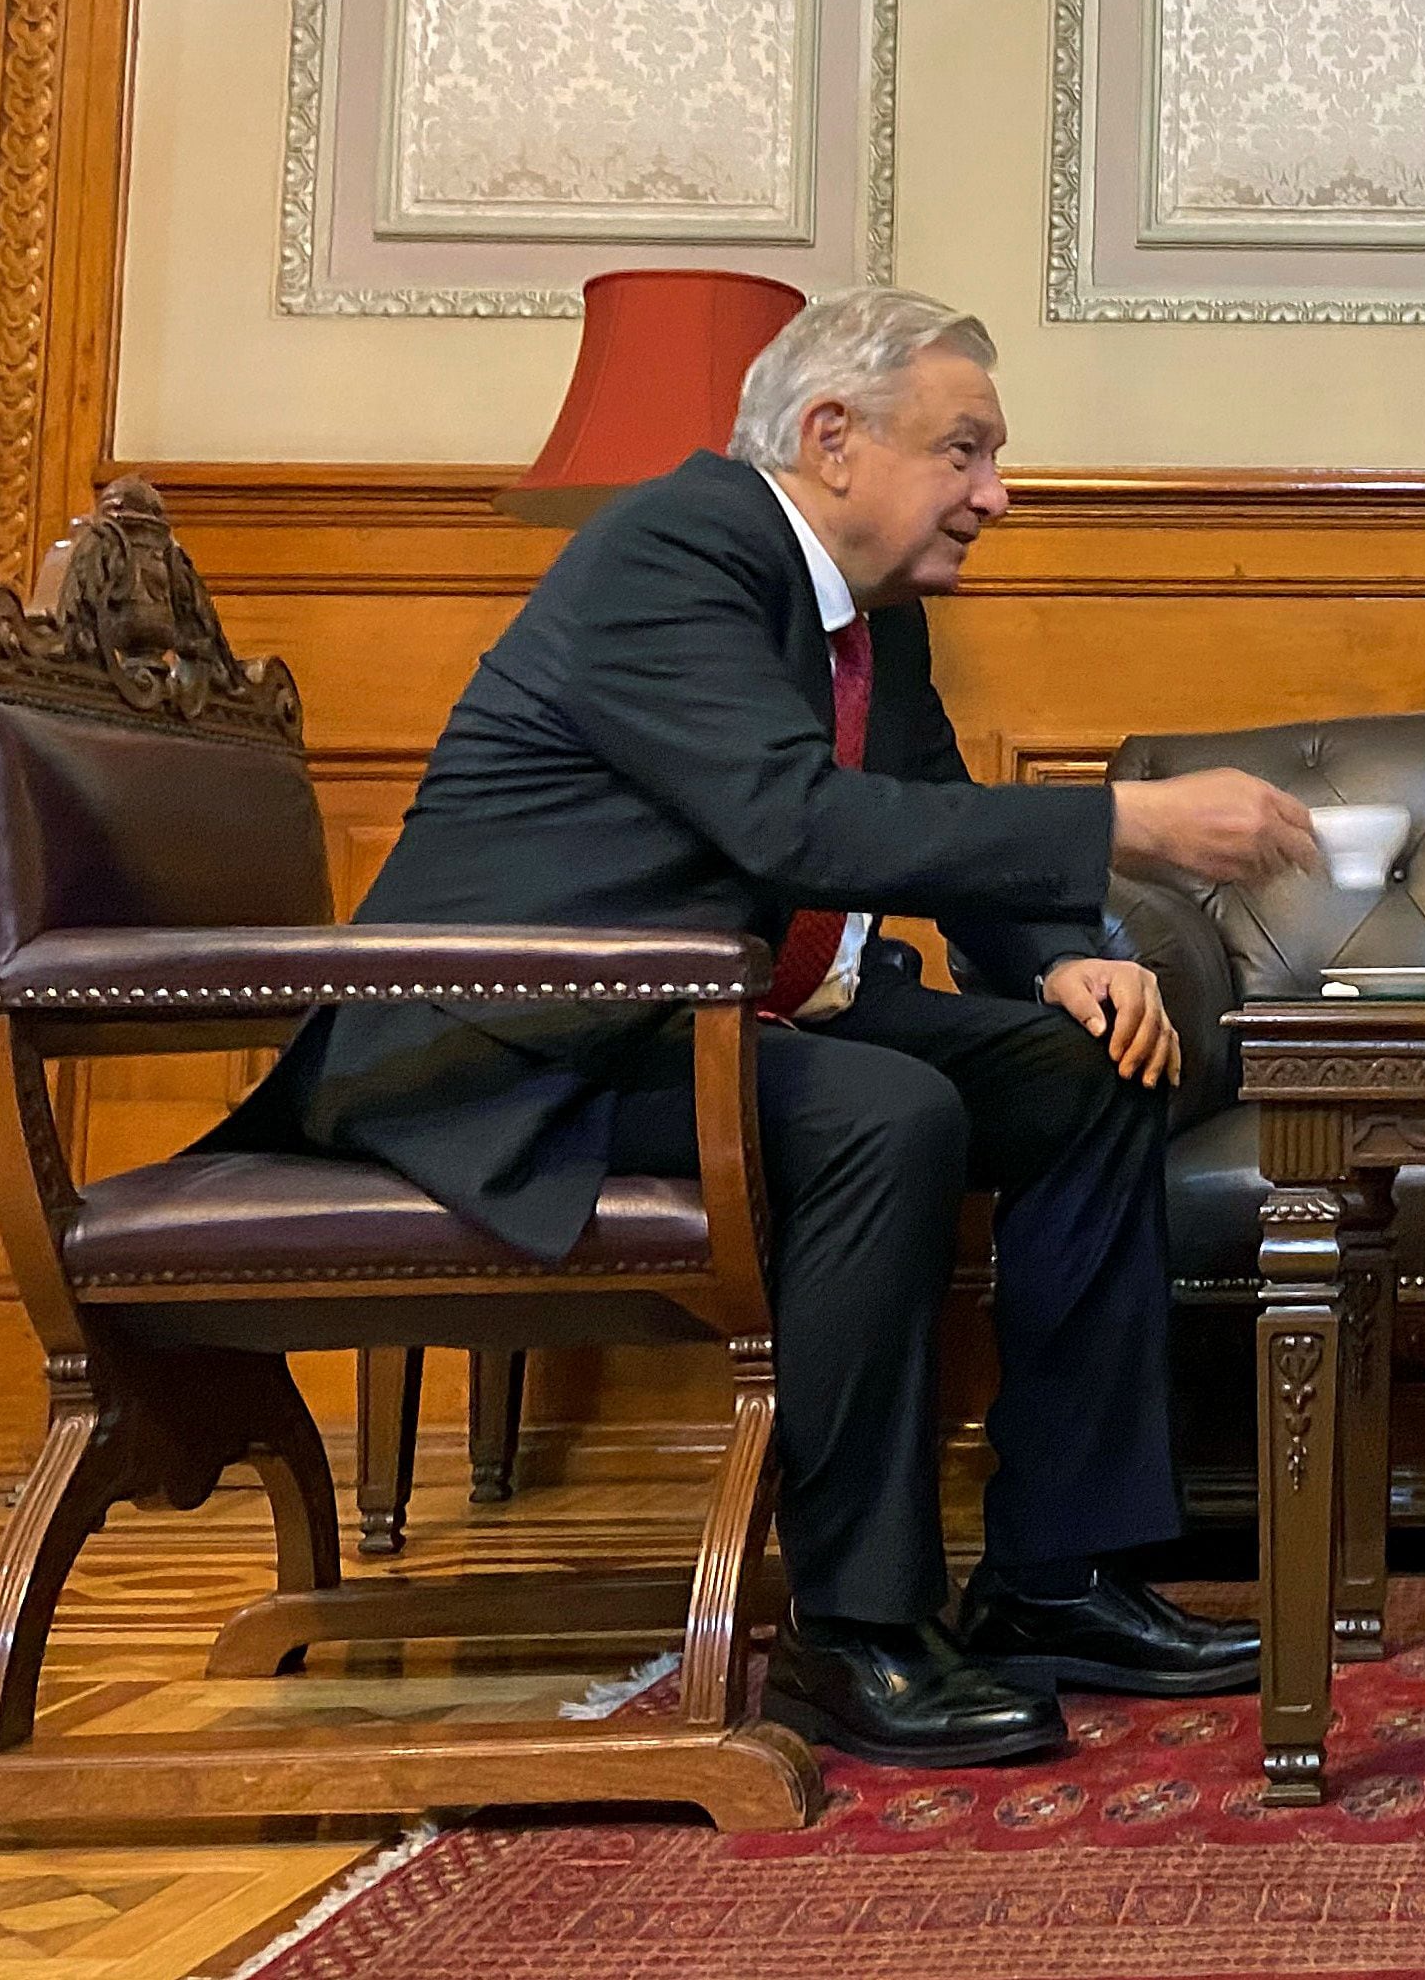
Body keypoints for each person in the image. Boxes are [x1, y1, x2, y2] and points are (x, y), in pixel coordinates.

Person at [217, 289, 1324, 1768]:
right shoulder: (672, 548)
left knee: (1090, 1071)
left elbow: (920, 816)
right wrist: (1127, 822)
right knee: (884, 1112)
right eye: (967, 451)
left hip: (703, 1028)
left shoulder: (876, 622)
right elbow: (795, 822)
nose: (997, 494)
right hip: (515, 1052)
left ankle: (1059, 1576)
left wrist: (1067, 959)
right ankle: (859, 1630)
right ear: (831, 438)